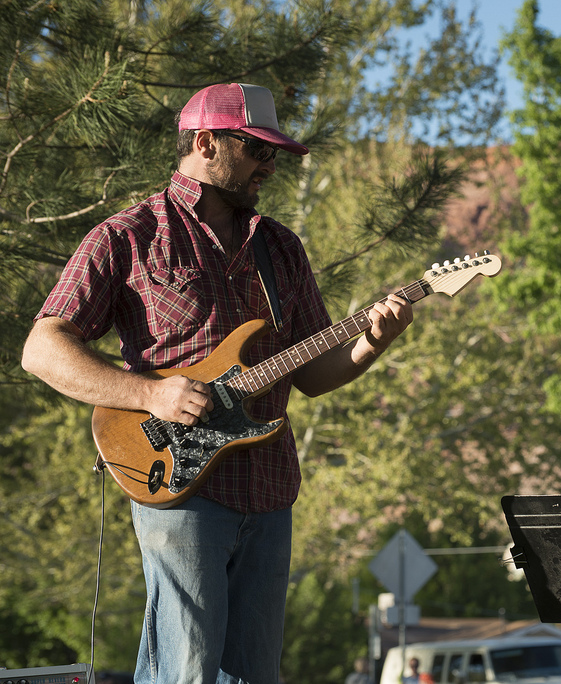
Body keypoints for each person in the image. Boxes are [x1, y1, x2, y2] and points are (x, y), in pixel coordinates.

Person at [20, 83, 414, 683]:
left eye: (275, 152)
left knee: (257, 676)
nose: (270, 164)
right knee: (186, 669)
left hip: (270, 487)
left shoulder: (281, 247)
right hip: (176, 484)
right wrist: (152, 394)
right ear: (205, 143)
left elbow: (311, 374)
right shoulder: (128, 236)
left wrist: (372, 342)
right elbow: (42, 349)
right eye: (256, 148)